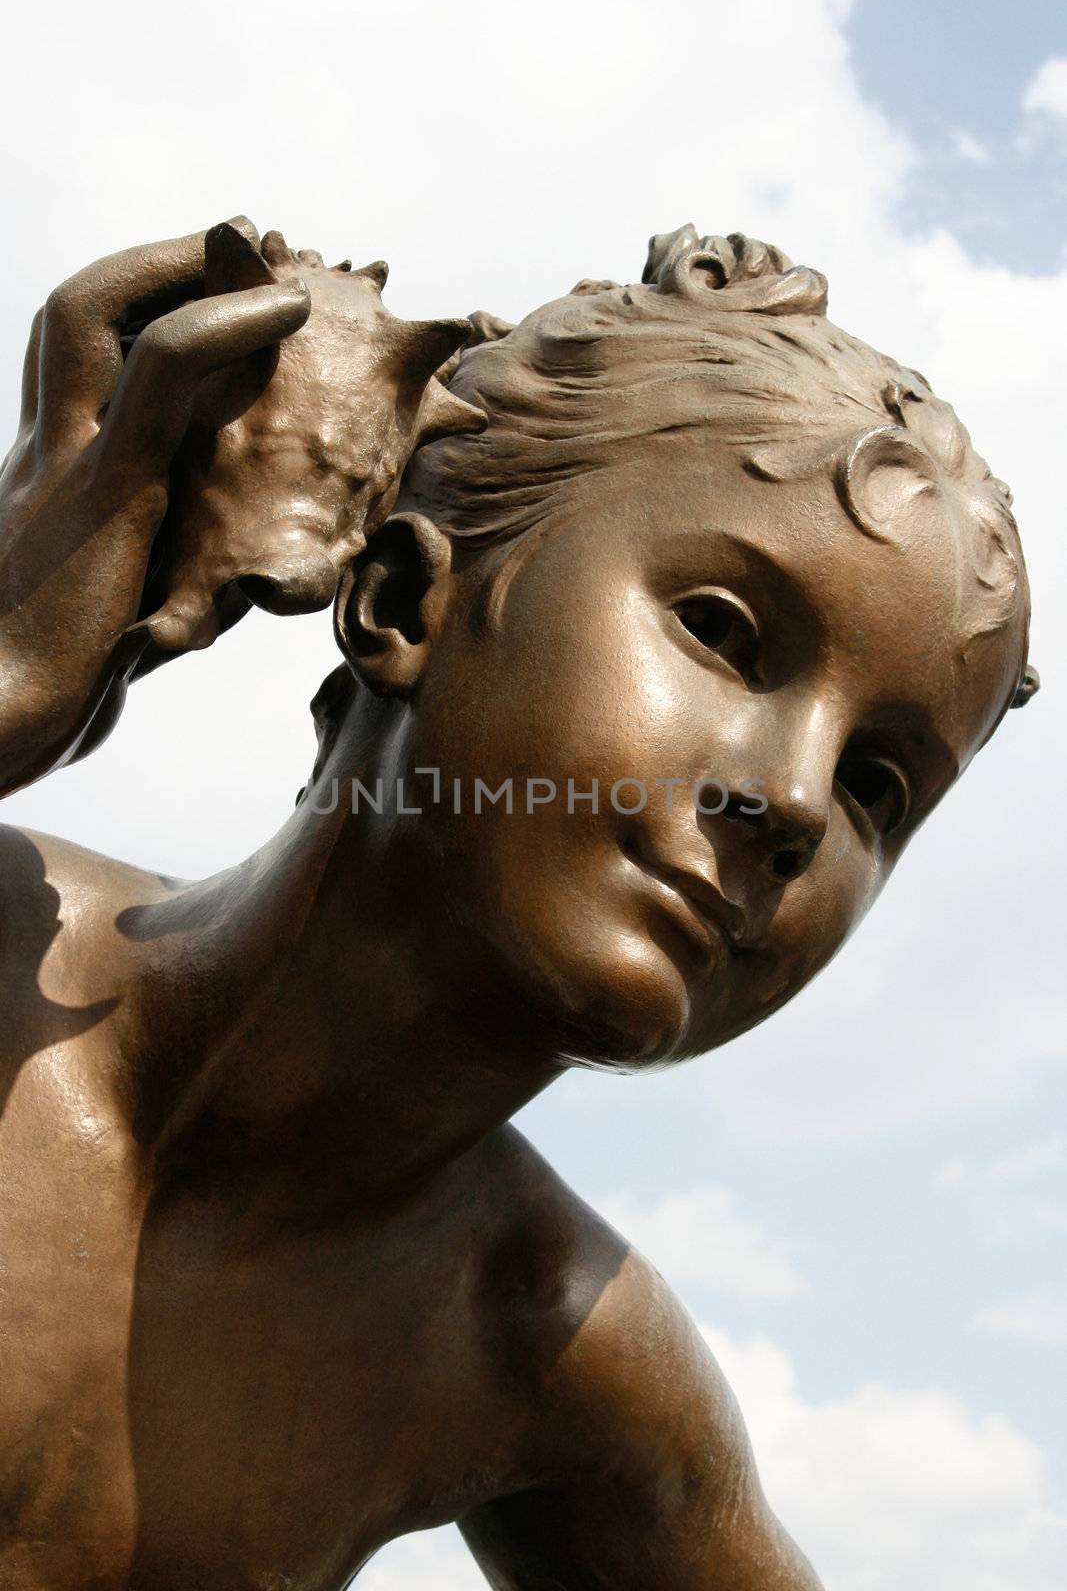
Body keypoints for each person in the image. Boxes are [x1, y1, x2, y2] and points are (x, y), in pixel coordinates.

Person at [0, 219, 1036, 1590]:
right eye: (723, 630)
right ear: (400, 598)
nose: (793, 804)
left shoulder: (543, 1348)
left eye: (879, 787)